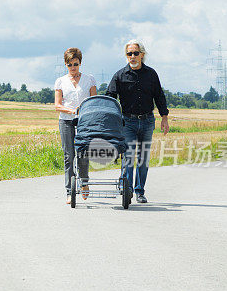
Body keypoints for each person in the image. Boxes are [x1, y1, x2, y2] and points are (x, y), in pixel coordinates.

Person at [105, 39, 169, 203]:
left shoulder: (151, 74)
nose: (132, 56)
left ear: (142, 55)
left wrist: (164, 118)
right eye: (129, 54)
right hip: (128, 122)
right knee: (129, 156)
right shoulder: (119, 75)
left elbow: (159, 96)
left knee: (143, 158)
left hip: (147, 121)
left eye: (135, 53)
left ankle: (140, 191)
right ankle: (127, 189)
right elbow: (110, 97)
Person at [55, 47, 97, 203]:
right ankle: (69, 190)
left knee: (83, 154)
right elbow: (57, 105)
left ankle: (84, 182)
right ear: (65, 65)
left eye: (75, 64)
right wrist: (72, 110)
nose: (73, 68)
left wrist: (87, 114)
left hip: (84, 121)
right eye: (69, 65)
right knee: (69, 155)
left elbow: (94, 101)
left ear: (80, 63)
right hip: (66, 120)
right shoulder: (61, 81)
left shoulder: (89, 79)